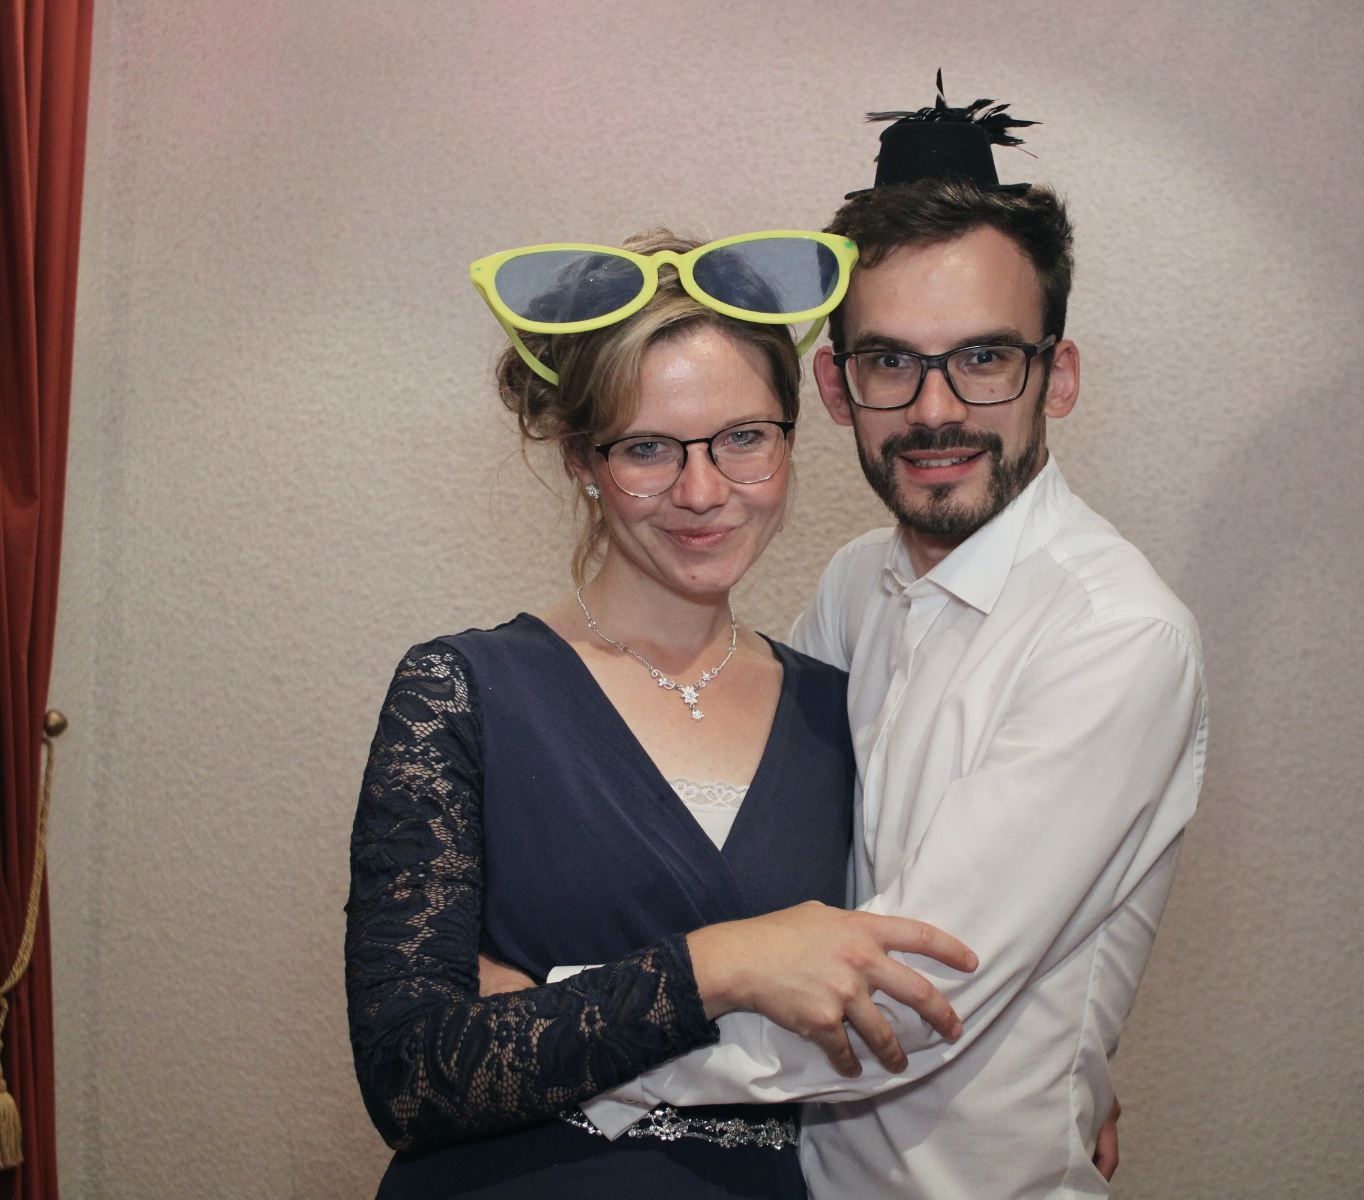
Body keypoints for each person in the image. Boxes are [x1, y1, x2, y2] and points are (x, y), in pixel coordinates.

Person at [582, 83, 1208, 1200]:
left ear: (1057, 376)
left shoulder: (1115, 637)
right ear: (836, 385)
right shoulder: (851, 587)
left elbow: (901, 1005)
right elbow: (765, 871)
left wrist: (562, 1033)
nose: (934, 410)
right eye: (889, 362)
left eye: (985, 358)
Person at [343, 229, 978, 1200]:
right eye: (647, 449)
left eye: (744, 438)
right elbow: (412, 1073)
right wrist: (724, 964)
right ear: (582, 459)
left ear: (790, 439)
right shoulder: (461, 693)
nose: (703, 491)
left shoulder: (845, 713)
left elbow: (922, 1005)